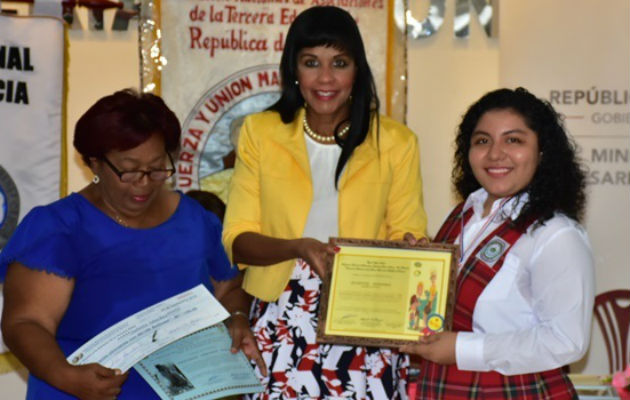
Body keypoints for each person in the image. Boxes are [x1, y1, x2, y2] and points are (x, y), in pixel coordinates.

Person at [0, 89, 263, 399]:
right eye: (129, 169)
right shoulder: (60, 228)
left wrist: (237, 320)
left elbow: (230, 288)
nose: (144, 181)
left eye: (156, 168)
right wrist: (67, 376)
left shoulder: (194, 219)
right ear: (95, 163)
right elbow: (26, 322)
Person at [222, 6, 428, 398]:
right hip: (281, 313)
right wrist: (300, 247)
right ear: (294, 69)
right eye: (311, 62)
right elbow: (237, 239)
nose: (326, 78)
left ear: (357, 70)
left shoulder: (398, 142)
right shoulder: (261, 132)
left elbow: (409, 233)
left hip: (367, 314)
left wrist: (412, 251)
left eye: (340, 62)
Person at [401, 87, 595, 399]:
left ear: (542, 151)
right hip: (445, 388)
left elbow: (566, 341)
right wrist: (412, 268)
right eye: (482, 141)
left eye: (513, 140)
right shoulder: (463, 216)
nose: (495, 153)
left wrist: (462, 348)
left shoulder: (556, 234)